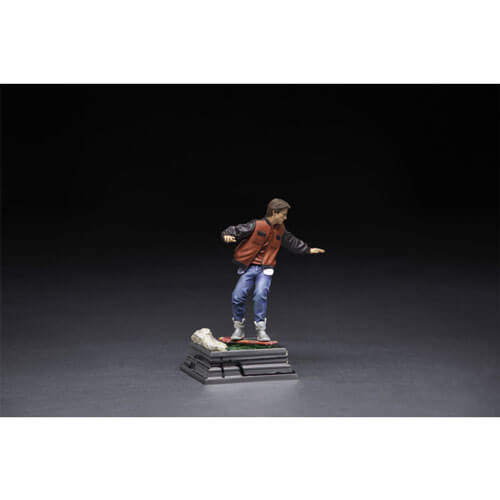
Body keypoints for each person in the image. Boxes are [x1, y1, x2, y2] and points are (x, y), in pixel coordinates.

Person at [221, 198, 325, 341]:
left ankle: (260, 330)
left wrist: (308, 249)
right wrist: (227, 234)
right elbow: (237, 230)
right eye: (283, 214)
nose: (285, 218)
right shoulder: (256, 225)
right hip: (249, 268)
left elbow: (292, 242)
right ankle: (238, 328)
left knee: (260, 295)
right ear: (275, 212)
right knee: (237, 296)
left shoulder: (281, 230)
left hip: (266, 269)